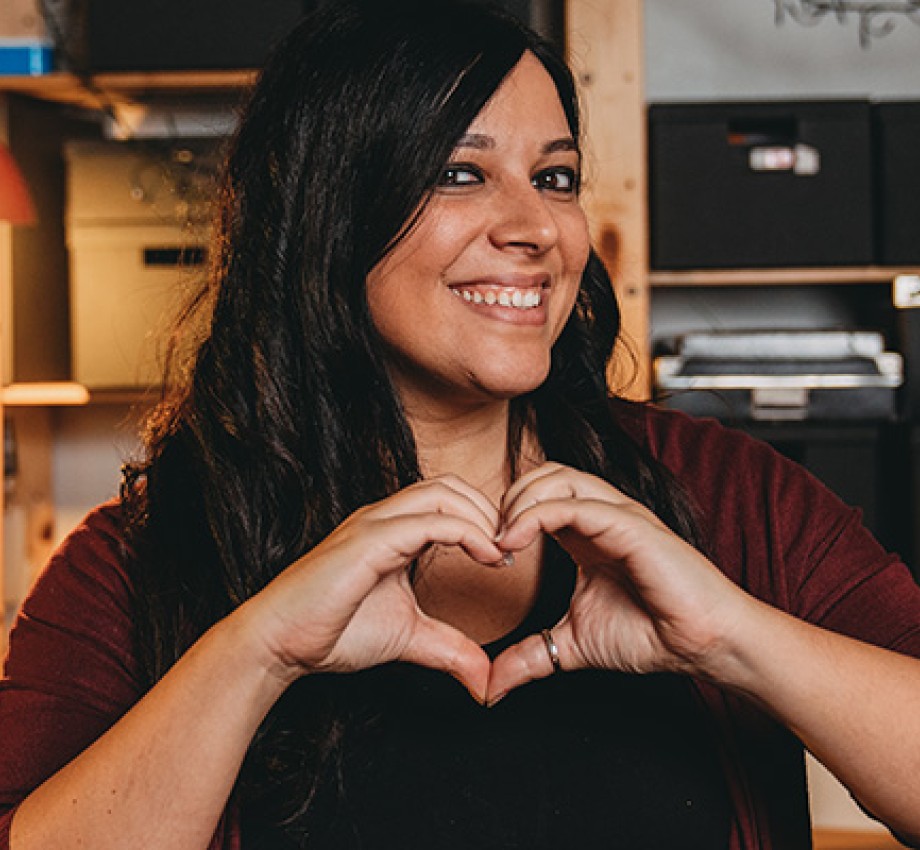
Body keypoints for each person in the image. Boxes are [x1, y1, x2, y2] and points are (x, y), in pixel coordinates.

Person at [2, 1, 920, 848]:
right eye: (459, 172)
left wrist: (735, 638)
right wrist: (257, 652)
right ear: (326, 214)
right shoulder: (142, 558)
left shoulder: (730, 495)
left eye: (555, 177)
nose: (536, 228)